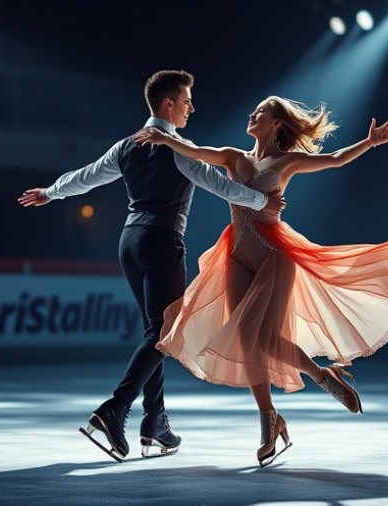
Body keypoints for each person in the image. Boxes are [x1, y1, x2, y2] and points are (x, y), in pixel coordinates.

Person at [134, 96, 388, 466]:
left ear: (276, 123)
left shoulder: (286, 162)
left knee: (268, 339)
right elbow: (195, 151)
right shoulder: (232, 157)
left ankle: (324, 377)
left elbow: (335, 160)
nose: (251, 113)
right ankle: (268, 420)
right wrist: (166, 139)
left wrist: (370, 142)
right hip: (236, 255)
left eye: (260, 111)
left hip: (275, 256)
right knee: (245, 340)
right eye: (253, 109)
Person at [18, 70, 284, 462]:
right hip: (161, 241)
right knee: (165, 331)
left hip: (130, 243)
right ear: (168, 104)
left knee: (155, 333)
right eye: (187, 100)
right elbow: (219, 183)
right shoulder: (177, 147)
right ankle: (115, 408)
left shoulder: (126, 146)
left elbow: (87, 177)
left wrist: (51, 192)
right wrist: (264, 203)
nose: (192, 107)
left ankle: (155, 422)